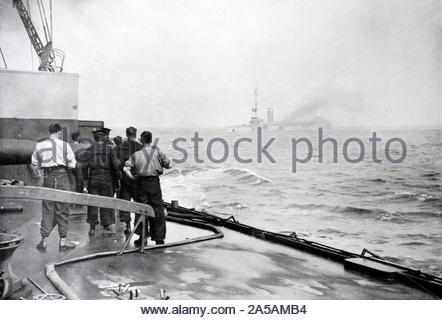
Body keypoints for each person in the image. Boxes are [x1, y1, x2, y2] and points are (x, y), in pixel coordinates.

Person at [31, 123, 77, 251]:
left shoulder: (39, 145)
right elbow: (72, 165)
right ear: (59, 132)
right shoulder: (65, 145)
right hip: (62, 178)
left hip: (48, 178)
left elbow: (34, 164)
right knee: (63, 209)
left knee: (47, 209)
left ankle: (44, 241)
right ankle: (63, 241)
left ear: (49, 132)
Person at [123, 131, 171, 245]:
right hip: (154, 183)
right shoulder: (157, 152)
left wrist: (133, 178)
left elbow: (126, 169)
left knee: (141, 209)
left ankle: (142, 237)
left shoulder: (136, 155)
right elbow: (169, 165)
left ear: (141, 140)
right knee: (157, 209)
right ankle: (159, 238)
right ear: (151, 140)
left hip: (141, 183)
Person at [82, 129, 121, 236]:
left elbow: (84, 167)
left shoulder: (89, 150)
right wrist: (118, 178)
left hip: (93, 178)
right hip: (106, 178)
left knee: (93, 203)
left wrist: (85, 181)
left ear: (94, 138)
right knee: (106, 201)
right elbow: (115, 166)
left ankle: (92, 228)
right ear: (103, 138)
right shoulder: (110, 150)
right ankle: (106, 226)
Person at [117, 127, 142, 234]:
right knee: (139, 203)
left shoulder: (119, 147)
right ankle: (139, 228)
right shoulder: (140, 147)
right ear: (135, 134)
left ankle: (127, 225)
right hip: (137, 179)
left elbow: (116, 163)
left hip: (124, 179)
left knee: (125, 202)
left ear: (126, 134)